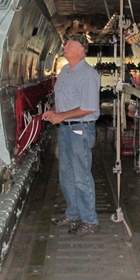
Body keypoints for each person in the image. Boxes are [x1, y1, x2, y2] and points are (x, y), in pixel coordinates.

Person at [43, 34, 101, 236]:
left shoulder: (88, 74)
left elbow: (88, 108)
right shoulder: (65, 71)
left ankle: (89, 220)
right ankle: (73, 213)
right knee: (66, 174)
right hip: (66, 128)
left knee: (81, 175)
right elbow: (64, 100)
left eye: (70, 44)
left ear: (81, 49)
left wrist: (61, 115)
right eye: (65, 43)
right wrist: (54, 111)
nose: (64, 46)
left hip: (80, 129)